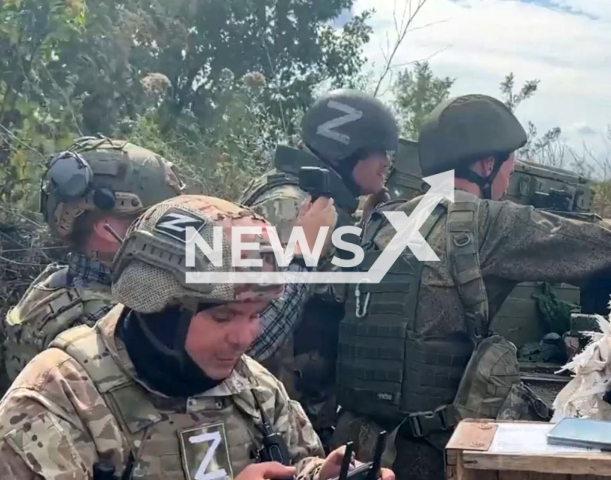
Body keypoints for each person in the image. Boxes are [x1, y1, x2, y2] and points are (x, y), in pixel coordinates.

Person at [331, 94, 611, 480]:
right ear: (487, 164)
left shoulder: (379, 220)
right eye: (510, 165)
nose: (509, 180)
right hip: (426, 454)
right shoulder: (486, 224)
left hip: (350, 449)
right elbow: (599, 244)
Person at [0, 195, 395, 480]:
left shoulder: (253, 388)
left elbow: (294, 462)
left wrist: (318, 475)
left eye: (256, 314)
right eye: (223, 316)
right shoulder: (57, 401)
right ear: (158, 305)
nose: (246, 336)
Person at [2, 136, 336, 393]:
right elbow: (244, 351)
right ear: (107, 231)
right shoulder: (96, 318)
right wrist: (302, 253)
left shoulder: (60, 286)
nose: (170, 228)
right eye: (154, 218)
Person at [239, 89, 399, 445]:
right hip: (273, 420)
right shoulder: (286, 205)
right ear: (346, 149)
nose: (387, 161)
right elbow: (256, 326)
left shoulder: (312, 201)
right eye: (380, 151)